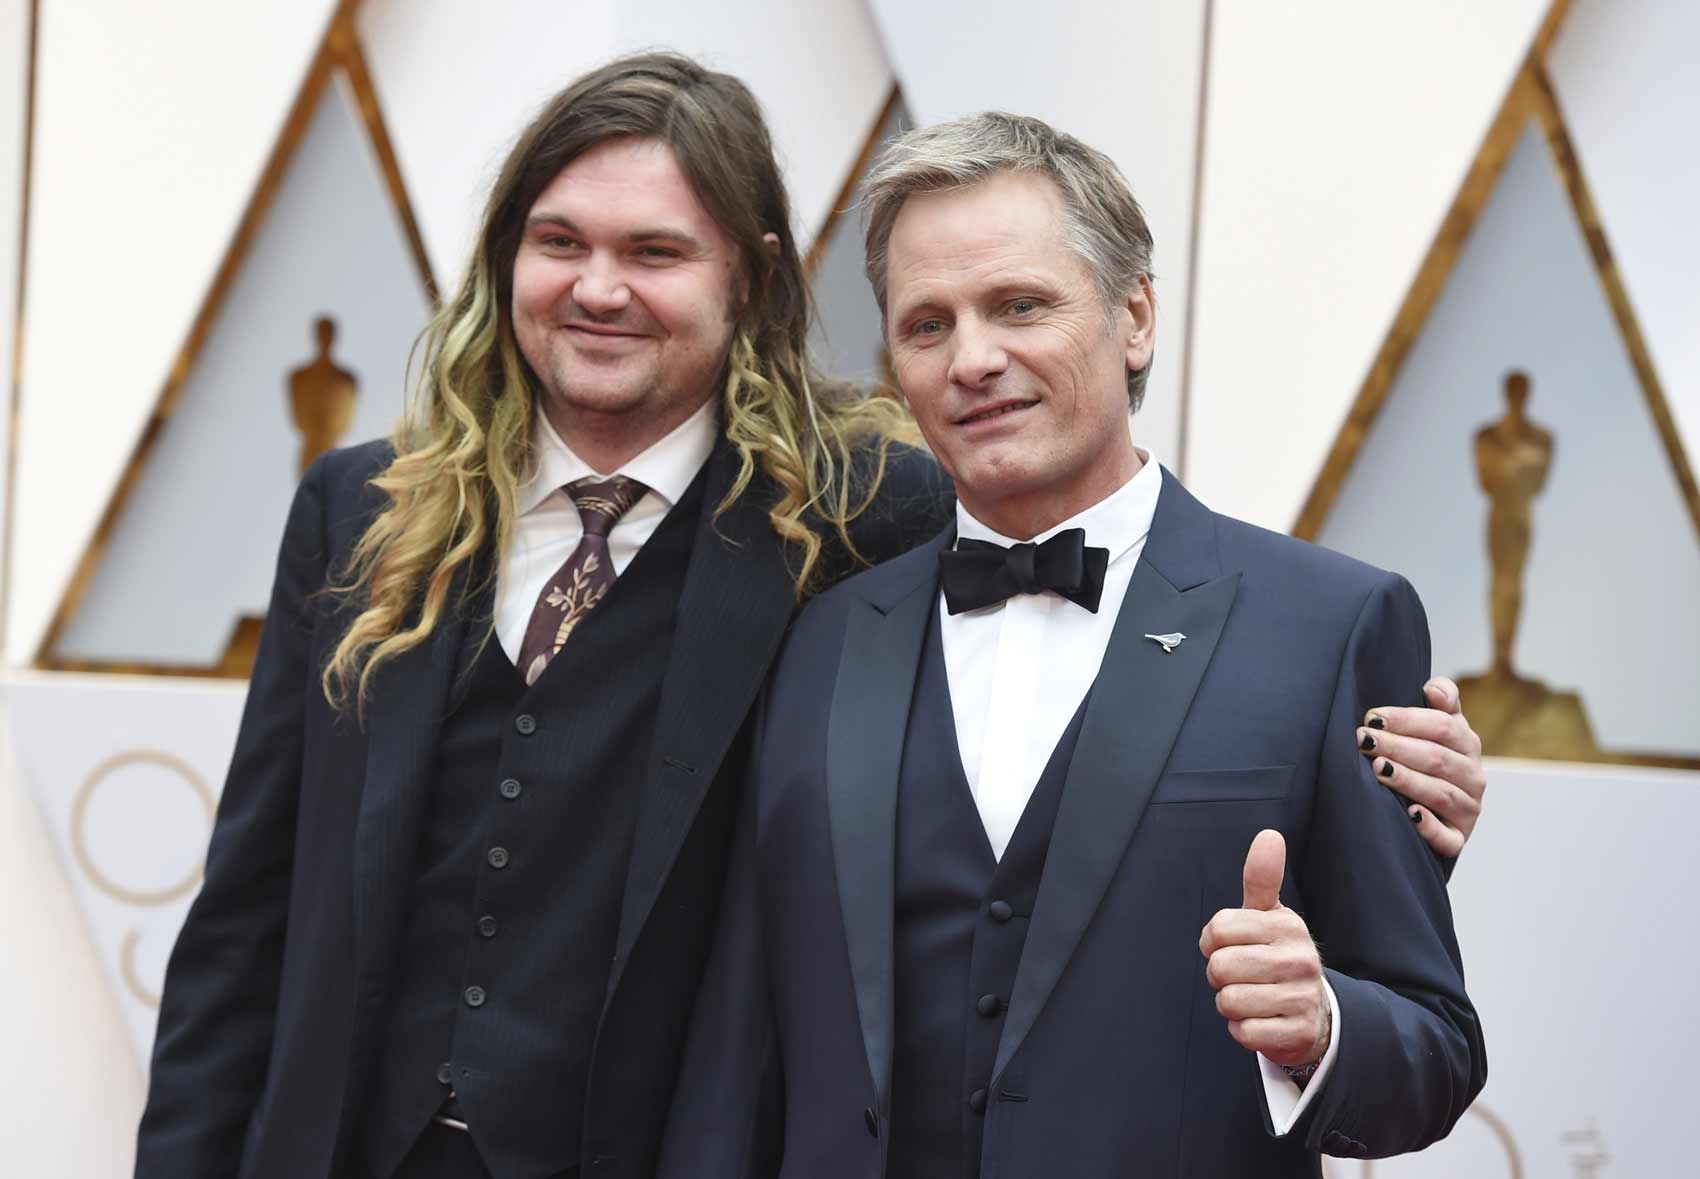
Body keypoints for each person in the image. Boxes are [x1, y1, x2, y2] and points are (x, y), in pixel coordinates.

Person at [137, 55, 1484, 1179]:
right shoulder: (362, 506)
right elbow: (247, 913)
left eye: (655, 250)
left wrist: (1381, 797)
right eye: (561, 242)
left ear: (750, 280)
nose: (600, 287)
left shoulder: (847, 520)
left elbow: (1188, 659)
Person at [659, 113, 1485, 1178]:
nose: (973, 359)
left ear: (1132, 316)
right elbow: (738, 1052)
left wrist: (1319, 1026)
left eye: (1019, 306)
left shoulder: (1330, 625)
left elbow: (1434, 1047)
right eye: (926, 325)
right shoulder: (818, 642)